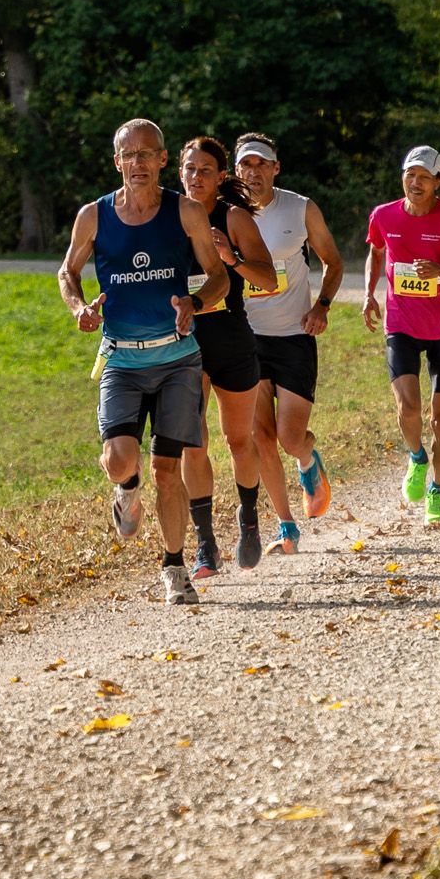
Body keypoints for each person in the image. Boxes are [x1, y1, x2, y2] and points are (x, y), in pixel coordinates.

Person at [57, 118, 228, 605]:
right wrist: (80, 309)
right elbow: (67, 271)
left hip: (178, 361)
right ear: (117, 163)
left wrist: (195, 305)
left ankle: (175, 569)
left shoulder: (187, 212)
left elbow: (218, 277)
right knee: (118, 459)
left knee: (167, 471)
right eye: (128, 155)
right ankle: (125, 488)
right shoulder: (94, 216)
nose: (137, 163)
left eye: (146, 154)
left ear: (161, 159)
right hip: (123, 361)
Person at [176, 137, 283, 580]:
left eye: (205, 170)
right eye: (188, 168)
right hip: (184, 342)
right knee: (192, 441)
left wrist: (231, 259)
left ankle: (249, 518)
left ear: (222, 177)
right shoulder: (169, 217)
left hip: (231, 340)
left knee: (239, 440)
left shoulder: (234, 217)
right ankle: (204, 544)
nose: (195, 177)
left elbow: (270, 280)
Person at [233, 133, 343, 566]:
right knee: (260, 436)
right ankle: (286, 526)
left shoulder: (300, 208)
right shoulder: (227, 215)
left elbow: (334, 261)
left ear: (276, 168)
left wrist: (323, 306)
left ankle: (309, 461)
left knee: (289, 436)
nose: (254, 172)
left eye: (262, 164)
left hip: (296, 335)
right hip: (248, 337)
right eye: (247, 165)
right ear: (237, 171)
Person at [362, 146, 440, 526]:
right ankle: (416, 457)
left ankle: (437, 490)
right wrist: (368, 294)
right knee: (408, 409)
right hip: (401, 324)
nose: (416, 182)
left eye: (424, 177)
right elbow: (376, 252)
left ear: (438, 182)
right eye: (410, 175)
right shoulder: (384, 215)